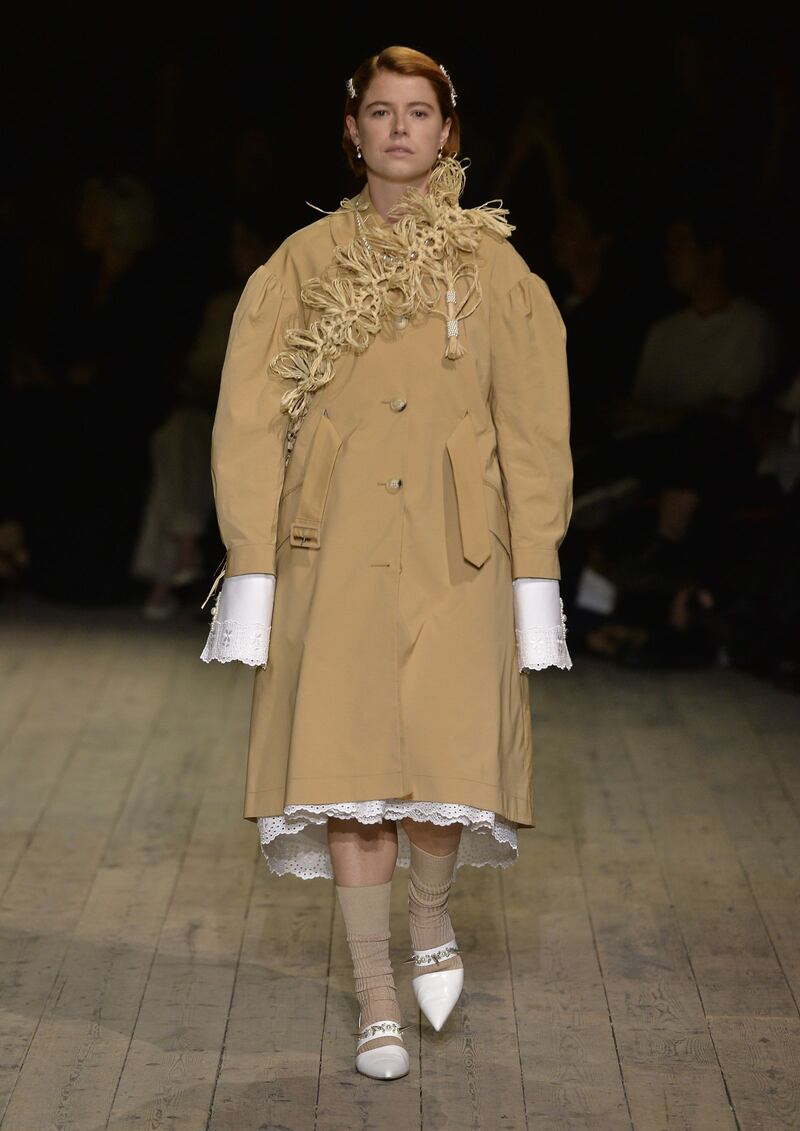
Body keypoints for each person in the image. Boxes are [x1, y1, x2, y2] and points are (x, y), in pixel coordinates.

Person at [200, 46, 574, 1081]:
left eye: (419, 112)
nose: (399, 128)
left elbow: (534, 427)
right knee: (348, 774)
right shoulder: (301, 264)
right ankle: (375, 995)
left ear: (447, 132)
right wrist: (255, 564)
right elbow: (244, 421)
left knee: (446, 769)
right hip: (335, 553)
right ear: (351, 131)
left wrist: (532, 573)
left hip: (460, 553)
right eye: (379, 111)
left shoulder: (491, 265)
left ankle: (431, 916)